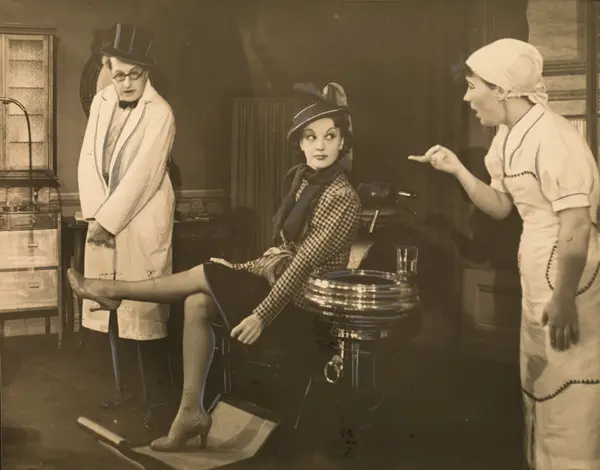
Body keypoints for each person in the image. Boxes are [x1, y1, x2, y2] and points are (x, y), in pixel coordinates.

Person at [68, 89, 362, 452]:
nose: (320, 146)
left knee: (207, 273)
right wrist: (235, 267)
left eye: (330, 136)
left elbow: (300, 265)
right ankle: (190, 413)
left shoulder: (341, 197)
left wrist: (261, 315)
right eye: (311, 137)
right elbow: (280, 256)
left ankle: (113, 290)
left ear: (342, 142)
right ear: (300, 144)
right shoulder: (304, 183)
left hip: (309, 313)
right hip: (286, 293)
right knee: (196, 301)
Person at [409, 38, 600, 469]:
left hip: (570, 276)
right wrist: (457, 169)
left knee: (571, 393)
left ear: (502, 89)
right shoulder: (507, 135)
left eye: (473, 86)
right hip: (537, 271)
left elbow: (576, 224)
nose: (467, 97)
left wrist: (565, 297)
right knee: (541, 389)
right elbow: (499, 207)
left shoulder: (556, 137)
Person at [77, 23, 176, 342]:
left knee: (140, 313)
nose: (127, 83)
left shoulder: (160, 113)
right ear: (109, 70)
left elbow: (144, 176)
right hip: (103, 214)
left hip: (141, 215)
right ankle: (118, 373)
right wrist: (95, 215)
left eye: (136, 74)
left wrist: (107, 222)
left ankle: (143, 369)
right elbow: (88, 159)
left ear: (147, 72)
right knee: (107, 308)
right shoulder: (101, 101)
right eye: (120, 75)